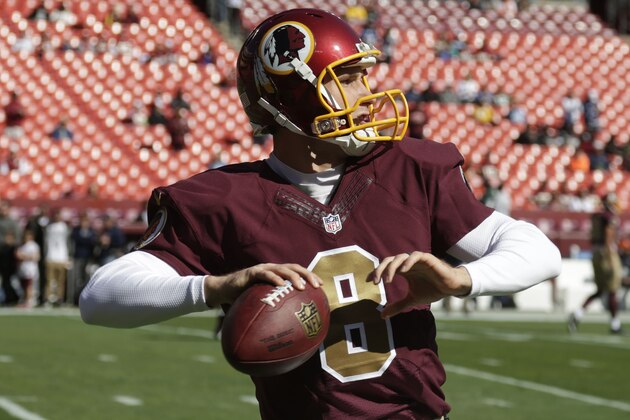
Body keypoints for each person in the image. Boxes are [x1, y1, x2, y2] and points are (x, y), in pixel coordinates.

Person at [80, 9, 561, 419]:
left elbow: (537, 250)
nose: (366, 91)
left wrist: (463, 280)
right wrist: (218, 286)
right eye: (347, 78)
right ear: (296, 95)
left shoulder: (409, 168)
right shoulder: (224, 197)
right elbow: (100, 297)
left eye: (363, 75)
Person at [568, 193, 624, 334]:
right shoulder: (608, 217)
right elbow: (608, 232)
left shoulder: (596, 216)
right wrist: (609, 252)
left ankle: (577, 313)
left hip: (595, 253)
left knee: (601, 290)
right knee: (612, 289)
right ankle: (615, 325)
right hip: (607, 254)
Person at [16, 229, 41, 308]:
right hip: (23, 269)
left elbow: (36, 257)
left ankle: (29, 301)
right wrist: (27, 256)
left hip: (31, 269)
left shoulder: (33, 245)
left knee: (29, 286)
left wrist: (25, 256)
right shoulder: (22, 245)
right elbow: (18, 255)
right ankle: (25, 300)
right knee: (24, 286)